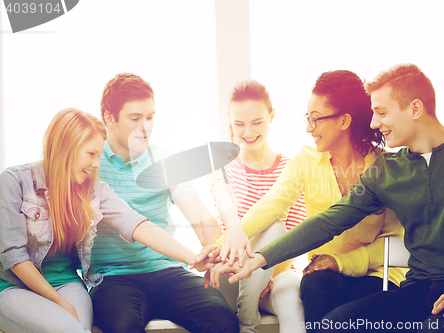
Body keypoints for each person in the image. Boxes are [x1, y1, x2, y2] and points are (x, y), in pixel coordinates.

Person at [208, 64, 444, 332]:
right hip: (419, 290)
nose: (374, 123)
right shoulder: (389, 170)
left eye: (382, 113)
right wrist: (260, 258)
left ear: (414, 108)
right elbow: (329, 221)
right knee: (331, 326)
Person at [199, 70, 406, 332]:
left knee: (359, 305)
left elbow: (393, 239)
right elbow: (271, 205)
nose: (309, 127)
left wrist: (342, 262)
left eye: (316, 119)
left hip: (377, 273)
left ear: (344, 121)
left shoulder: (386, 167)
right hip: (323, 272)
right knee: (316, 289)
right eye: (308, 118)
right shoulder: (307, 160)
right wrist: (222, 247)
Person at [0, 108, 215, 333]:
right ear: (66, 149)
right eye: (91, 154)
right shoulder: (15, 181)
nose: (96, 164)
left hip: (66, 282)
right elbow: (14, 258)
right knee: (70, 329)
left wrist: (195, 259)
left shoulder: (93, 190)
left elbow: (138, 225)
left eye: (99, 155)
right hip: (14, 286)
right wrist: (61, 304)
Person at [90, 73, 238, 333]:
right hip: (113, 277)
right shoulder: (90, 162)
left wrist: (215, 252)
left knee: (222, 320)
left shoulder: (165, 161)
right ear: (109, 118)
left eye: (150, 117)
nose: (145, 127)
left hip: (167, 270)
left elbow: (199, 217)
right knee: (122, 327)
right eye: (135, 119)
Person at [206, 79, 308, 333]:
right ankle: (247, 317)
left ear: (271, 116)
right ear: (230, 122)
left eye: (256, 122)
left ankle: (247, 319)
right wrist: (250, 277)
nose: (248, 132)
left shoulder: (291, 168)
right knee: (266, 225)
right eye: (239, 124)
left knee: (291, 301)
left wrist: (268, 277)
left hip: (278, 273)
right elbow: (228, 232)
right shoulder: (221, 168)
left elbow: (294, 236)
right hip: (233, 276)